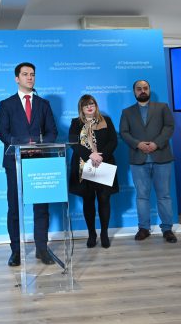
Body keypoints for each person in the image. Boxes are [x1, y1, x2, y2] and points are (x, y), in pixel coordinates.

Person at [0, 62, 58, 266]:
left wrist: (39, 144)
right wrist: (23, 143)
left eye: (32, 74)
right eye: (25, 74)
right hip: (14, 161)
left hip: (39, 161)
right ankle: (16, 251)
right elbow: (2, 133)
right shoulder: (6, 104)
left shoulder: (43, 104)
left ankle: (42, 249)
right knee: (14, 208)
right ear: (17, 78)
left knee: (41, 208)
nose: (30, 77)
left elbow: (52, 132)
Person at [119, 80, 177, 243]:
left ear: (149, 90)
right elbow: (124, 132)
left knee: (164, 196)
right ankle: (143, 228)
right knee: (142, 197)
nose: (142, 91)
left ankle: (167, 229)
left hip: (162, 157)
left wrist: (156, 143)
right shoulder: (127, 112)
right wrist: (138, 144)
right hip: (138, 159)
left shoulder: (162, 107)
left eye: (145, 88)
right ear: (134, 92)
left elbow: (169, 127)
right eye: (139, 89)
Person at [68, 94, 119, 249]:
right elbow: (73, 143)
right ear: (81, 108)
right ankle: (92, 234)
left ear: (96, 106)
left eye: (92, 104)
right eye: (86, 105)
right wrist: (90, 155)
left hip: (104, 164)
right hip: (84, 166)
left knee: (104, 199)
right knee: (88, 200)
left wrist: (101, 156)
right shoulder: (76, 123)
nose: (90, 107)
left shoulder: (106, 120)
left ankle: (104, 233)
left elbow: (113, 141)